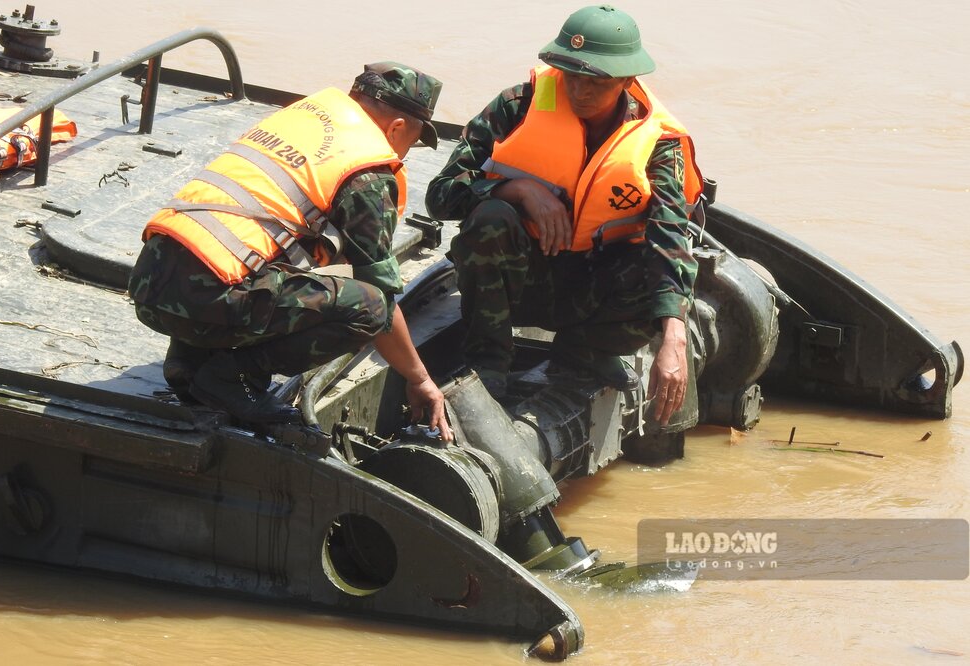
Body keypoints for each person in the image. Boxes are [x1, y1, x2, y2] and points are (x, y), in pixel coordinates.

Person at [129, 62, 452, 442]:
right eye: (411, 142)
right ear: (397, 127)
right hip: (205, 297)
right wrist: (420, 378)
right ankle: (235, 377)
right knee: (370, 307)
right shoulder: (367, 170)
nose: (404, 154)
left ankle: (188, 364)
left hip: (150, 285)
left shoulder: (303, 121)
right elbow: (382, 299)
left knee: (251, 261)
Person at [425, 5, 703, 426]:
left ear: (628, 81)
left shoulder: (658, 142)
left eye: (596, 82)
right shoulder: (517, 107)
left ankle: (582, 351)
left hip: (597, 288)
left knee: (665, 293)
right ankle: (490, 364)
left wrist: (674, 338)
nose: (580, 91)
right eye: (571, 75)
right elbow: (440, 196)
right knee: (491, 217)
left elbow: (670, 237)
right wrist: (517, 190)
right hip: (519, 281)